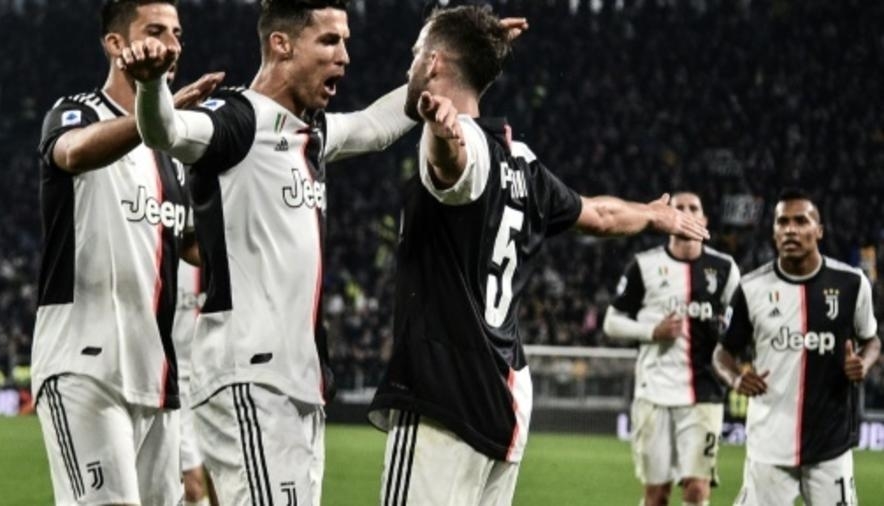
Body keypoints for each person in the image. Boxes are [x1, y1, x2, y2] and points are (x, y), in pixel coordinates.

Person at [366, 6, 711, 506]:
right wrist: (651, 214)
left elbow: (454, 165)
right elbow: (601, 216)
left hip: (444, 394)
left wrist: (442, 137)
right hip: (505, 399)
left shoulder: (460, 144)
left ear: (435, 62)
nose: (409, 64)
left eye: (417, 53)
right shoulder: (522, 162)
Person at [117, 1, 422, 504]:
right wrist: (151, 87)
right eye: (329, 41)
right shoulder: (236, 119)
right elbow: (165, 131)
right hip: (250, 374)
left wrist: (449, 63)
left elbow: (375, 124)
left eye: (345, 42)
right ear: (282, 45)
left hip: (300, 381)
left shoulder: (312, 133)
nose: (344, 57)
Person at [31, 1, 223, 504]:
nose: (172, 45)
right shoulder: (77, 112)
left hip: (156, 378)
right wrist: (156, 112)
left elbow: (192, 246)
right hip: (85, 365)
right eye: (155, 31)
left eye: (177, 33)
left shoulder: (173, 157)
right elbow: (73, 152)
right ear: (115, 44)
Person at [713, 189, 881, 506]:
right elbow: (723, 353)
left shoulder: (851, 284)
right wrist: (735, 378)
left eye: (801, 221)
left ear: (819, 230)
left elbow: (871, 339)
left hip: (830, 448)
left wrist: (864, 362)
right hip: (769, 446)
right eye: (783, 222)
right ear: (774, 232)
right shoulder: (751, 288)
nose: (790, 229)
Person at [602, 191, 740, 506]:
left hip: (704, 393)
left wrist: (729, 335)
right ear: (666, 218)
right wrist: (652, 331)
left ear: (704, 220)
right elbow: (611, 322)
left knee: (697, 489)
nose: (686, 212)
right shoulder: (644, 265)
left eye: (694, 207)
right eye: (679, 207)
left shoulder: (725, 268)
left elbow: (740, 323)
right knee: (657, 494)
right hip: (654, 393)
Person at [172, 262, 218, 506]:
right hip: (177, 382)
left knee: (221, 482)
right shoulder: (163, 256)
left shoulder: (220, 259)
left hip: (215, 381)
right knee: (193, 483)